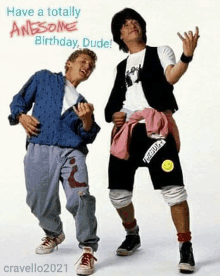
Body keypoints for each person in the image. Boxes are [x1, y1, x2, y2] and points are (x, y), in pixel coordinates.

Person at [105, 8, 199, 273]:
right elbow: (112, 104)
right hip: (128, 134)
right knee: (118, 195)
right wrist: (115, 116)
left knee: (173, 190)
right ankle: (132, 234)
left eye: (135, 21)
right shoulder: (121, 67)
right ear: (120, 35)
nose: (131, 24)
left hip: (157, 130)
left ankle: (185, 246)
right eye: (125, 24)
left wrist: (186, 56)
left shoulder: (160, 51)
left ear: (142, 27)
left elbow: (170, 76)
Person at [9, 48, 100, 275]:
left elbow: (88, 134)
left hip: (71, 152)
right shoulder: (44, 78)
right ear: (68, 63)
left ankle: (88, 248)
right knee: (37, 199)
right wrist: (21, 116)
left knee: (80, 197)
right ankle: (54, 233)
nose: (88, 67)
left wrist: (87, 120)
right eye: (84, 61)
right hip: (40, 147)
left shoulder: (83, 103)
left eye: (92, 66)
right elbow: (18, 101)